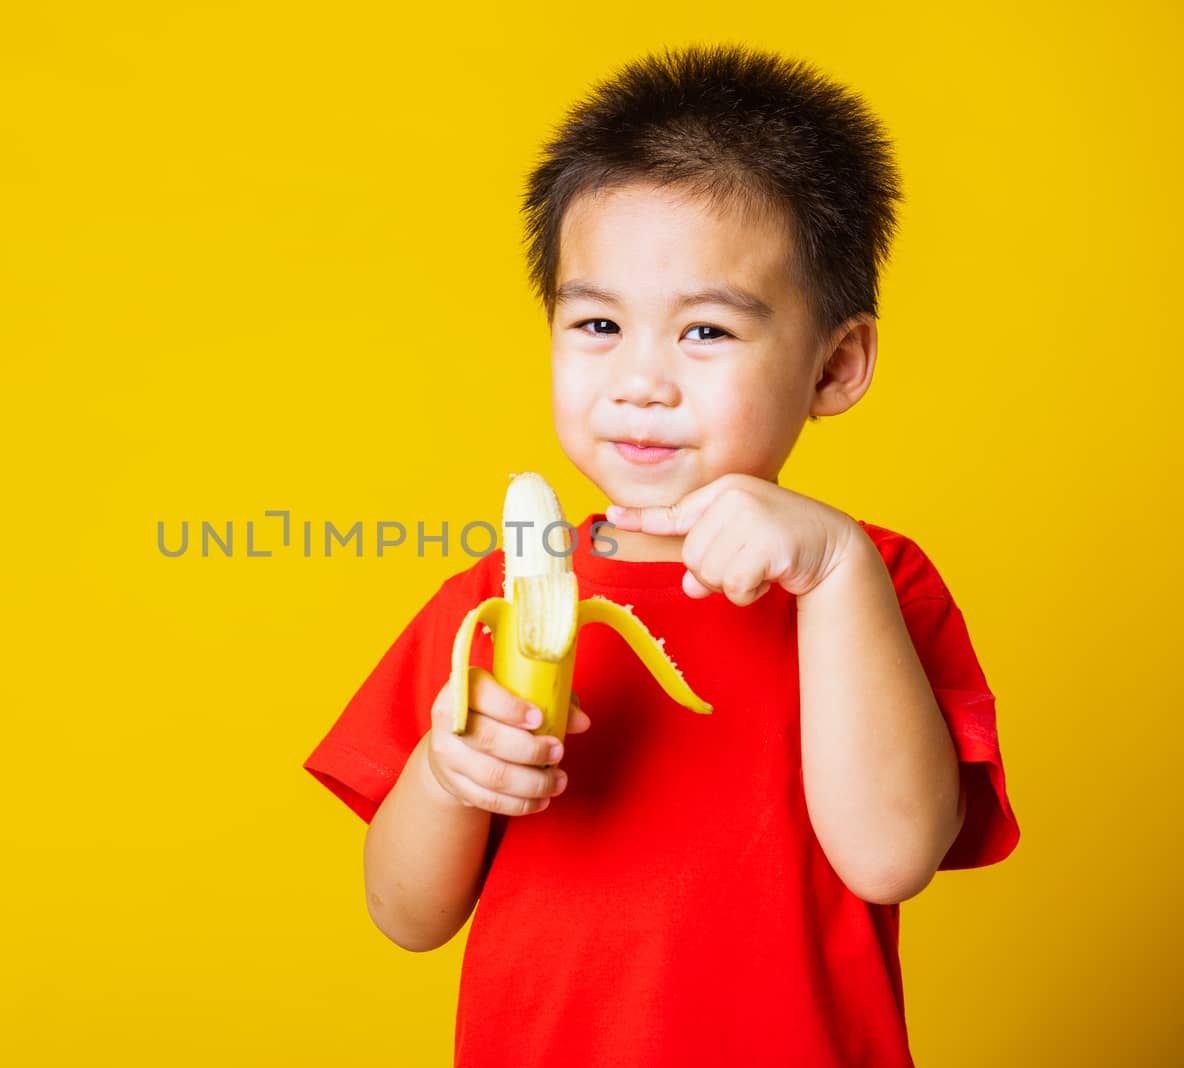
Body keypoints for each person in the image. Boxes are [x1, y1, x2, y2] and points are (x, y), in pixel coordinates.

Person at [302, 41, 1019, 1066]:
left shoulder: (874, 583)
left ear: (836, 363)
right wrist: (449, 777)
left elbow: (892, 858)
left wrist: (832, 573)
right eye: (597, 322)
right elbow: (404, 914)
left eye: (707, 334)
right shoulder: (493, 604)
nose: (641, 380)